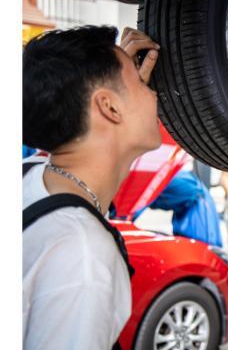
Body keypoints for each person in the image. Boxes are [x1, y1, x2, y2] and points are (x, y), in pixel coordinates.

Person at [23, 26, 161, 349]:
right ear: (109, 108)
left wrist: (118, 82)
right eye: (139, 83)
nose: (153, 92)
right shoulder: (83, 257)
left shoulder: (30, 176)